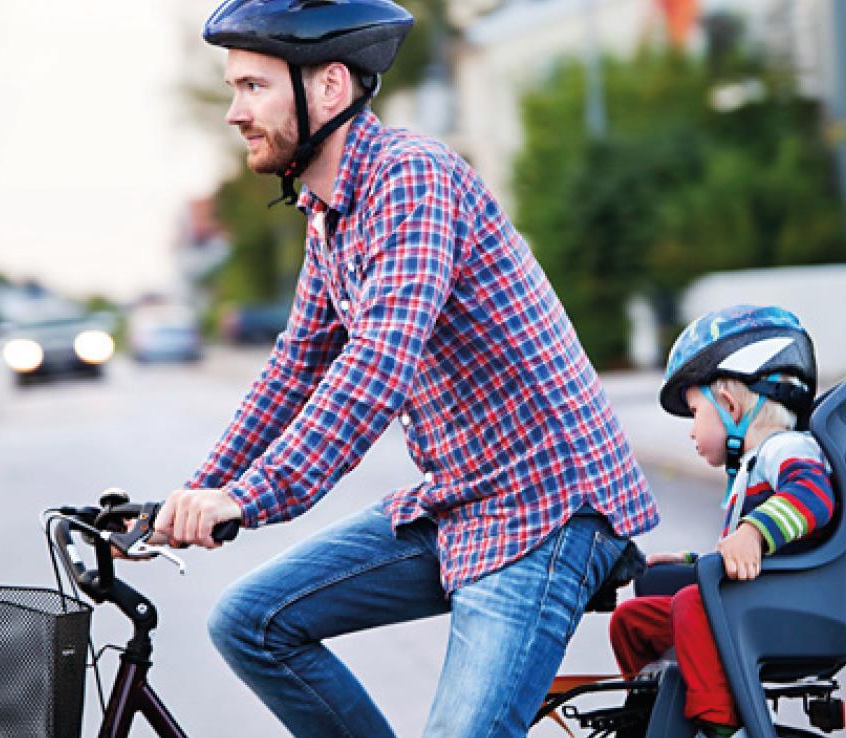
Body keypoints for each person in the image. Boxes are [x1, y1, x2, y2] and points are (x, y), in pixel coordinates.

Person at [154, 1, 659, 735]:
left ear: (328, 89)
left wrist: (251, 497)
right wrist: (199, 491)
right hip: (459, 503)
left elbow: (375, 366)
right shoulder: (330, 213)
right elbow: (294, 370)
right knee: (249, 621)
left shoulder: (410, 178)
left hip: (545, 510)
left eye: (252, 87)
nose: (235, 112)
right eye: (235, 88)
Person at [609, 304, 835, 738]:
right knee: (632, 621)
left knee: (693, 606)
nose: (692, 431)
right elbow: (738, 561)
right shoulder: (750, 469)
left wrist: (753, 532)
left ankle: (719, 726)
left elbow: (813, 495)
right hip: (757, 600)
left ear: (729, 405)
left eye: (695, 413)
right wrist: (694, 560)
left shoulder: (786, 448)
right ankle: (652, 710)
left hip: (792, 603)